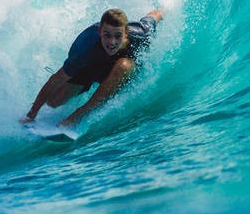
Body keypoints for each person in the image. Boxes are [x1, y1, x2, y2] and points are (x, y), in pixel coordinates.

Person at [22, 7, 164, 129]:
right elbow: (55, 79)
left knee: (123, 66)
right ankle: (79, 87)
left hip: (124, 69)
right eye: (107, 35)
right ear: (100, 31)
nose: (112, 42)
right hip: (93, 66)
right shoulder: (85, 47)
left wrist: (165, 7)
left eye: (118, 36)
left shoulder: (140, 33)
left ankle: (78, 115)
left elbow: (154, 16)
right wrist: (32, 114)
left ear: (126, 32)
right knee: (53, 102)